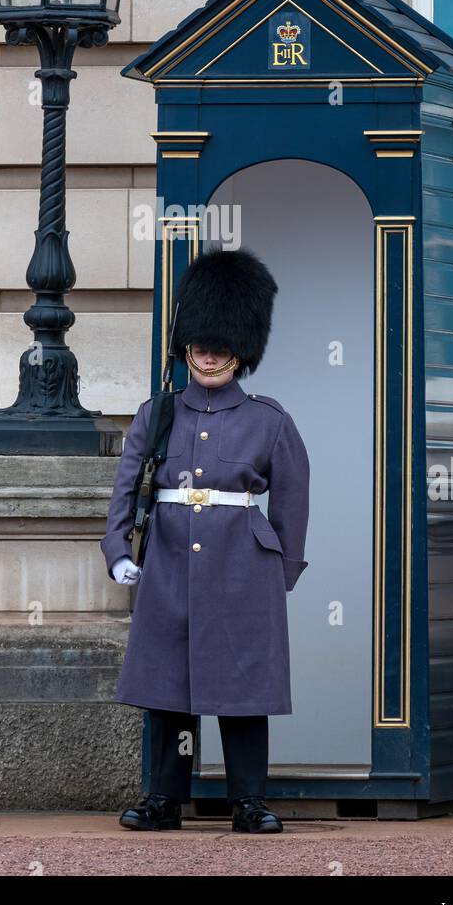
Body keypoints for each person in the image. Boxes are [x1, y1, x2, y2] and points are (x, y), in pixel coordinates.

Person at [100, 246, 310, 833]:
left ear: (241, 351)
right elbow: (125, 489)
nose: (210, 355)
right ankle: (164, 798)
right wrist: (118, 552)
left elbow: (292, 503)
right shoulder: (158, 413)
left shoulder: (269, 420)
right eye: (201, 344)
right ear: (186, 345)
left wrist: (281, 572)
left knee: (243, 691)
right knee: (168, 688)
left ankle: (249, 800)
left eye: (221, 347)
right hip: (168, 560)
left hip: (245, 566)